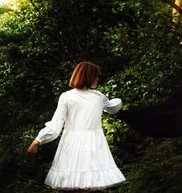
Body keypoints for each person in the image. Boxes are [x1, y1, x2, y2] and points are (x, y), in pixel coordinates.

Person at [27, 61, 125, 192]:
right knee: (84, 185)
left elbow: (56, 125)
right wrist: (38, 140)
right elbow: (113, 107)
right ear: (88, 77)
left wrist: (37, 140)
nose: (98, 79)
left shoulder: (68, 97)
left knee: (78, 185)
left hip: (73, 145)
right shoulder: (98, 97)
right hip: (91, 144)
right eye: (95, 76)